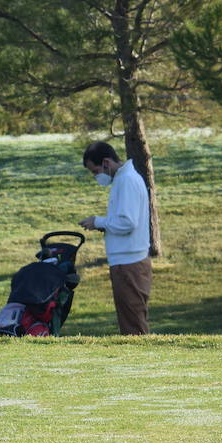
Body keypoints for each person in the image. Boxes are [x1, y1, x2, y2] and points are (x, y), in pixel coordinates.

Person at [78, 140, 151, 335]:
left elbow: (128, 222)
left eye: (95, 171)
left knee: (133, 323)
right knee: (129, 319)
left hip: (129, 263)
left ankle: (141, 359)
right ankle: (136, 358)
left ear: (106, 162)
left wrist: (99, 222)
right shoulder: (122, 179)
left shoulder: (127, 180)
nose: (96, 177)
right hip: (125, 260)